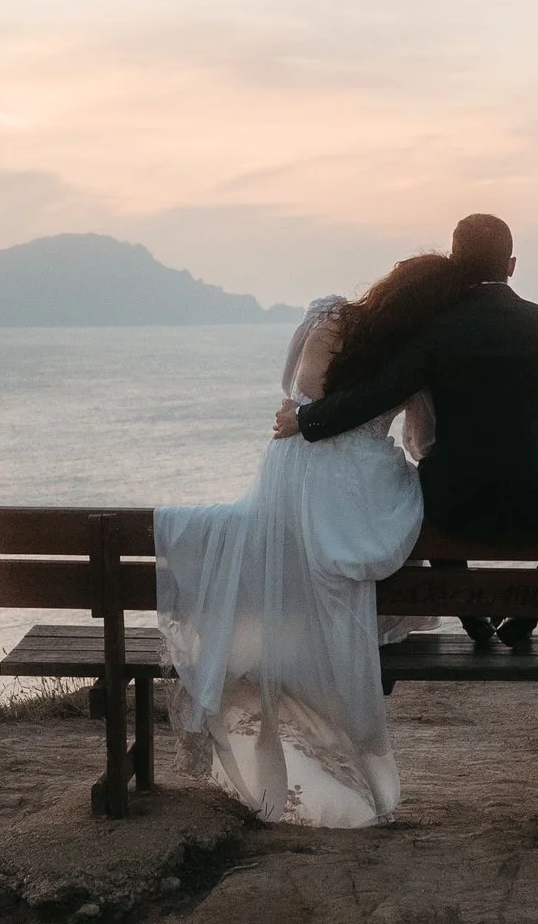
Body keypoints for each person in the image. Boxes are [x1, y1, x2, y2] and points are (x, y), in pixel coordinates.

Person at [152, 285, 430, 827]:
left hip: (288, 474)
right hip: (353, 494)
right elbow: (423, 439)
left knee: (287, 554)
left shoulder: (326, 317)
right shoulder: (417, 347)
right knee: (375, 533)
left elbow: (290, 388)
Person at [277, 213, 538, 652]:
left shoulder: (434, 328)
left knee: (421, 489)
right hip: (536, 491)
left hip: (452, 500)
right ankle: (527, 612)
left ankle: (470, 610)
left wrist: (308, 419)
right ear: (510, 265)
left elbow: (378, 395)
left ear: (454, 260)